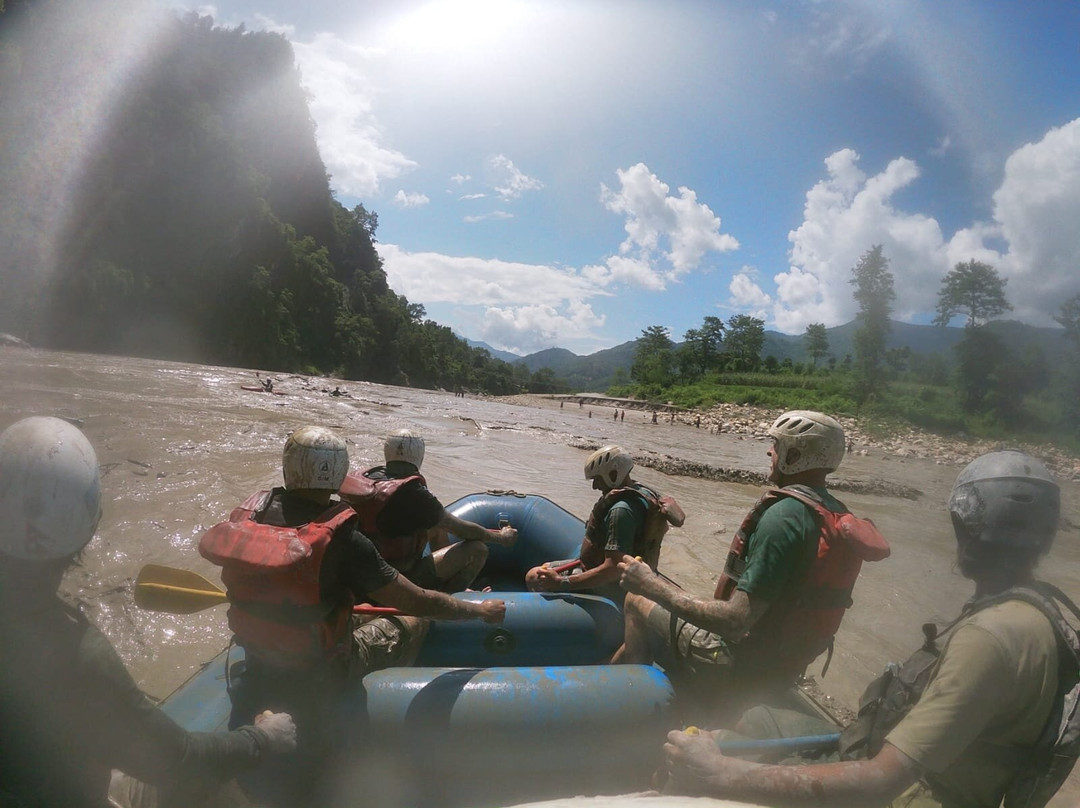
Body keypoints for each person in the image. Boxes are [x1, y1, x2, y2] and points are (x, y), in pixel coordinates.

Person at [660, 450, 1079, 808]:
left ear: (963, 525)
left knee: (701, 754)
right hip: (931, 769)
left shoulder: (988, 637)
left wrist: (721, 773)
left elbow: (881, 782)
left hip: (908, 792)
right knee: (755, 717)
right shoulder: (1042, 609)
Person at [0, 416, 297, 808]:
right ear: (90, 525)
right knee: (214, 789)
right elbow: (181, 761)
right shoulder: (76, 655)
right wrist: (262, 739)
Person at [199, 425, 506, 802]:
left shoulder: (252, 514)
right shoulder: (342, 539)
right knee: (417, 621)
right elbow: (418, 602)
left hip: (261, 658)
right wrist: (476, 610)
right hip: (324, 670)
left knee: (348, 613)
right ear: (337, 470)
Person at [613, 411, 888, 724]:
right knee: (675, 594)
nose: (770, 452)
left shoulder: (784, 517)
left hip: (734, 662)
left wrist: (648, 584)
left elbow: (735, 622)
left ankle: (621, 703)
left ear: (794, 455)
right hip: (781, 665)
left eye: (776, 445)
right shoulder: (833, 513)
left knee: (635, 599)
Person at [337, 429, 517, 593]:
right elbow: (463, 530)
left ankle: (444, 583)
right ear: (419, 456)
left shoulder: (365, 478)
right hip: (395, 579)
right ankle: (448, 598)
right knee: (477, 549)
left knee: (436, 526)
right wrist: (501, 537)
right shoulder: (413, 492)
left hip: (360, 573)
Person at [524, 445, 684, 603]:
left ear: (613, 473)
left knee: (533, 576)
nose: (595, 486)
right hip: (636, 576)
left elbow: (614, 568)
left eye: (597, 479)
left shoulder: (620, 511)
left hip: (615, 586)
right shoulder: (645, 492)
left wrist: (561, 583)